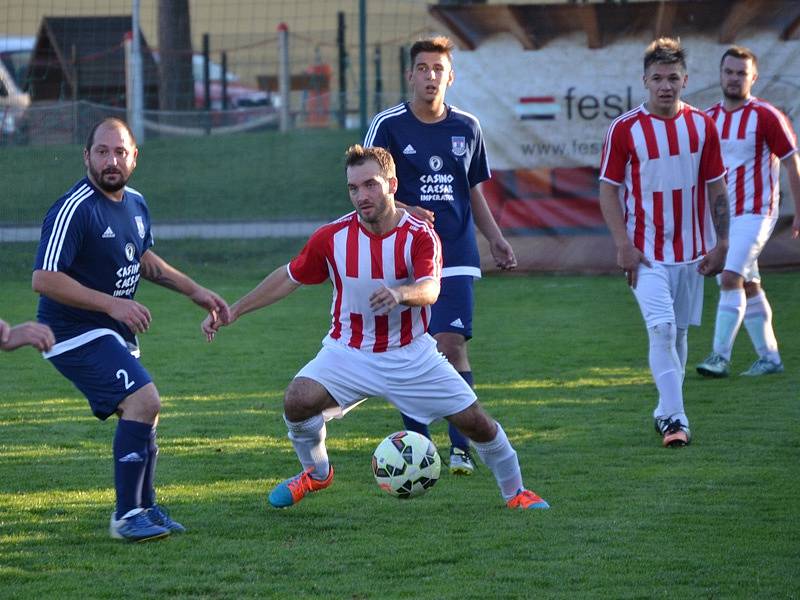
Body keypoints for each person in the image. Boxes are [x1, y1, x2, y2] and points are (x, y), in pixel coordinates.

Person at [202, 145, 549, 510]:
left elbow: (431, 288)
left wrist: (402, 293)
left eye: (370, 185)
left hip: (411, 355)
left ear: (392, 184)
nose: (361, 196)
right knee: (297, 400)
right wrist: (235, 311)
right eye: (354, 188)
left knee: (475, 422)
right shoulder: (332, 237)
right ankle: (316, 473)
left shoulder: (419, 234)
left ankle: (516, 493)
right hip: (347, 351)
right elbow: (290, 277)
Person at [32, 117, 230, 542]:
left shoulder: (136, 203)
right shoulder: (74, 208)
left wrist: (196, 291)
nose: (111, 160)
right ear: (86, 156)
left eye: (120, 152)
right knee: (145, 399)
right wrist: (112, 304)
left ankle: (146, 507)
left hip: (109, 329)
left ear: (134, 157)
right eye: (102, 151)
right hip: (70, 331)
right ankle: (125, 517)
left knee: (144, 413)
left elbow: (146, 261)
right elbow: (44, 279)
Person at [363, 36, 516, 475]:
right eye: (423, 68)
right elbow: (367, 183)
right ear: (410, 75)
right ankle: (415, 447)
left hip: (456, 250)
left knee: (451, 344)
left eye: (438, 69)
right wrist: (407, 209)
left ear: (451, 76)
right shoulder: (387, 125)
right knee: (411, 346)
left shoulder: (467, 126)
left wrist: (496, 238)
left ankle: (461, 447)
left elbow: (472, 189)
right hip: (403, 252)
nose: (431, 76)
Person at [598, 38, 730, 447]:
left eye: (673, 77)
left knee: (681, 336)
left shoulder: (703, 126)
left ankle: (664, 409)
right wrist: (622, 244)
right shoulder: (624, 129)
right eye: (657, 78)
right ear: (645, 81)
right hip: (646, 253)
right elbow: (607, 190)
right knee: (663, 330)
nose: (665, 85)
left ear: (685, 80)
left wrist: (723, 242)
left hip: (692, 253)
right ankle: (676, 420)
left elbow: (716, 188)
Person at [696, 46, 800, 378]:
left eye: (742, 73)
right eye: (729, 71)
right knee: (749, 285)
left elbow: (791, 162)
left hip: (757, 213)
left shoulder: (767, 115)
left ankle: (719, 357)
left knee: (729, 276)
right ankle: (770, 358)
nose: (734, 78)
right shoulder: (708, 118)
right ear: (720, 74)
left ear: (753, 77)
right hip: (722, 218)